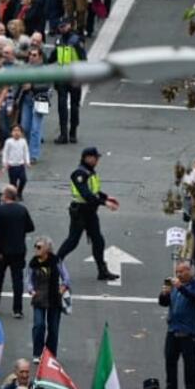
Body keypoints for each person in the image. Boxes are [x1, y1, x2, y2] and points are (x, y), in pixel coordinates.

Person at [54, 145, 119, 280]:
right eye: (95, 158)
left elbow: (94, 192)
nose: (97, 160)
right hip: (80, 212)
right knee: (72, 241)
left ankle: (102, 271)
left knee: (98, 241)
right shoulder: (79, 174)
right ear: (88, 158)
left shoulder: (90, 172)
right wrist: (104, 203)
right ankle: (54, 264)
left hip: (90, 212)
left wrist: (106, 197)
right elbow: (86, 194)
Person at [158, 260, 195, 389]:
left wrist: (181, 287)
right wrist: (164, 293)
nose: (179, 274)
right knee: (170, 359)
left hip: (188, 331)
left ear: (189, 271)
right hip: (173, 328)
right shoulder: (174, 286)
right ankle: (171, 387)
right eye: (177, 272)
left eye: (182, 271)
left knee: (189, 362)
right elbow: (164, 303)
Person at [0, 184, 34, 317]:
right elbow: (30, 227)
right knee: (17, 280)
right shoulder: (22, 210)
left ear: (6, 196)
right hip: (18, 249)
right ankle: (17, 309)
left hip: (3, 251)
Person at [28, 237, 67, 357]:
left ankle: (50, 354)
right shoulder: (33, 263)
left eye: (39, 247)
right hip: (39, 298)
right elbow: (29, 279)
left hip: (54, 298)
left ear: (47, 249)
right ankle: (37, 353)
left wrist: (63, 287)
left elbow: (66, 277)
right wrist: (31, 290)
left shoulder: (56, 261)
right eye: (36, 246)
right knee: (39, 325)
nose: (36, 249)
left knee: (53, 328)